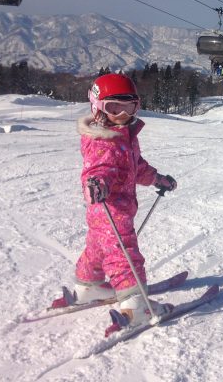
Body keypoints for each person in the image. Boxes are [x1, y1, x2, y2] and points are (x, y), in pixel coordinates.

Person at [73, 72, 178, 326]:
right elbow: (99, 170)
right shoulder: (103, 142)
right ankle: (135, 304)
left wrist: (157, 179)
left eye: (128, 106)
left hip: (110, 209)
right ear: (98, 108)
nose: (122, 114)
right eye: (113, 107)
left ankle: (89, 285)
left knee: (99, 247)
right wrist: (97, 184)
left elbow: (136, 166)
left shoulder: (123, 136)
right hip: (110, 207)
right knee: (123, 251)